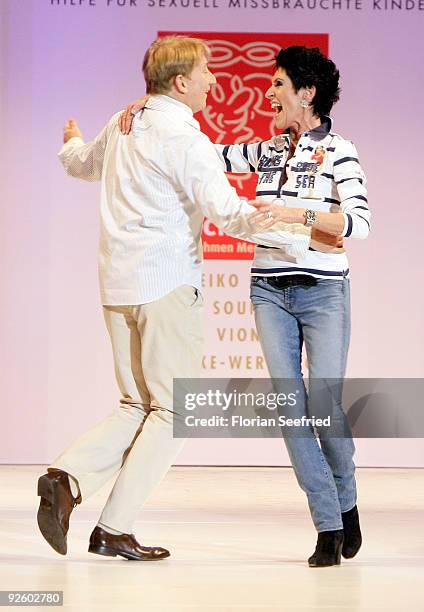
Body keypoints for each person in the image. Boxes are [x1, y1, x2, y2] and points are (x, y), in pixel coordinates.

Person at [37, 36, 315, 562]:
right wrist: (298, 234)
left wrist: (70, 141)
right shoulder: (182, 136)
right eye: (208, 71)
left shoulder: (127, 121)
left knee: (137, 404)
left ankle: (67, 479)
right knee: (174, 411)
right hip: (164, 285)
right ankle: (108, 521)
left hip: (117, 284)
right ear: (181, 81)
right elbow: (227, 212)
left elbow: (81, 165)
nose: (215, 80)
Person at [121, 45, 370, 567]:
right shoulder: (268, 149)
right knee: (292, 411)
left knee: (324, 409)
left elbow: (358, 226)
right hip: (268, 289)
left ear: (307, 93)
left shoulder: (342, 150)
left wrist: (297, 214)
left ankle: (347, 505)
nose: (268, 92)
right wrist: (146, 112)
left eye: (278, 84)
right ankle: (327, 524)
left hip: (325, 291)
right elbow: (201, 151)